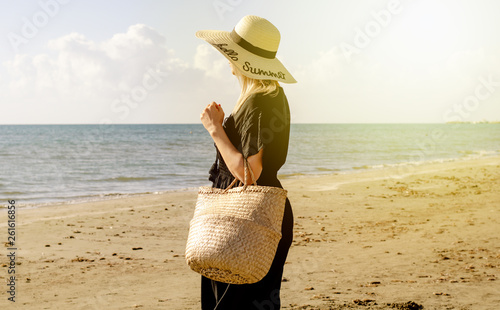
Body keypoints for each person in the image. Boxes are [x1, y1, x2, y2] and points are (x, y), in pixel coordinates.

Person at [197, 15, 297, 309]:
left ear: (241, 58)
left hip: (247, 218)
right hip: (259, 213)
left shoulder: (259, 102)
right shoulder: (271, 97)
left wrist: (215, 129)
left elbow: (248, 172)